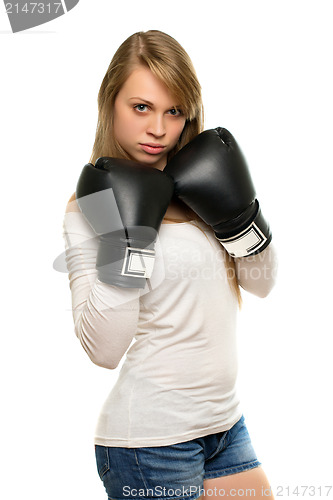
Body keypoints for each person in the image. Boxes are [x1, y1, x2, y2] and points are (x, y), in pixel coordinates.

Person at [63, 30, 277, 500]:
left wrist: (240, 216)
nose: (158, 129)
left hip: (225, 424)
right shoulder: (90, 205)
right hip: (151, 442)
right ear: (110, 104)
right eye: (141, 107)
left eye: (173, 111)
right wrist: (131, 237)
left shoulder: (203, 183)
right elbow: (104, 349)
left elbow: (261, 284)